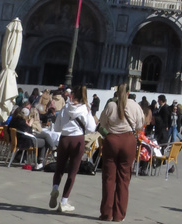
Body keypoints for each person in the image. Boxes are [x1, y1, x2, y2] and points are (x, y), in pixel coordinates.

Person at [98, 83, 145, 223]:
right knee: (124, 179)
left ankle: (106, 213)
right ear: (129, 92)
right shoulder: (134, 105)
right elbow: (139, 125)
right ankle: (119, 215)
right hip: (128, 141)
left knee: (108, 178)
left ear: (117, 92)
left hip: (112, 141)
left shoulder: (111, 105)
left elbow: (102, 124)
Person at [47, 86, 96, 213]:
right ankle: (64, 202)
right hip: (77, 139)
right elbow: (91, 128)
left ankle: (55, 187)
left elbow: (57, 127)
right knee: (72, 172)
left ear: (73, 95)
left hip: (64, 139)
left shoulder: (65, 107)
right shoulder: (85, 109)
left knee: (59, 168)